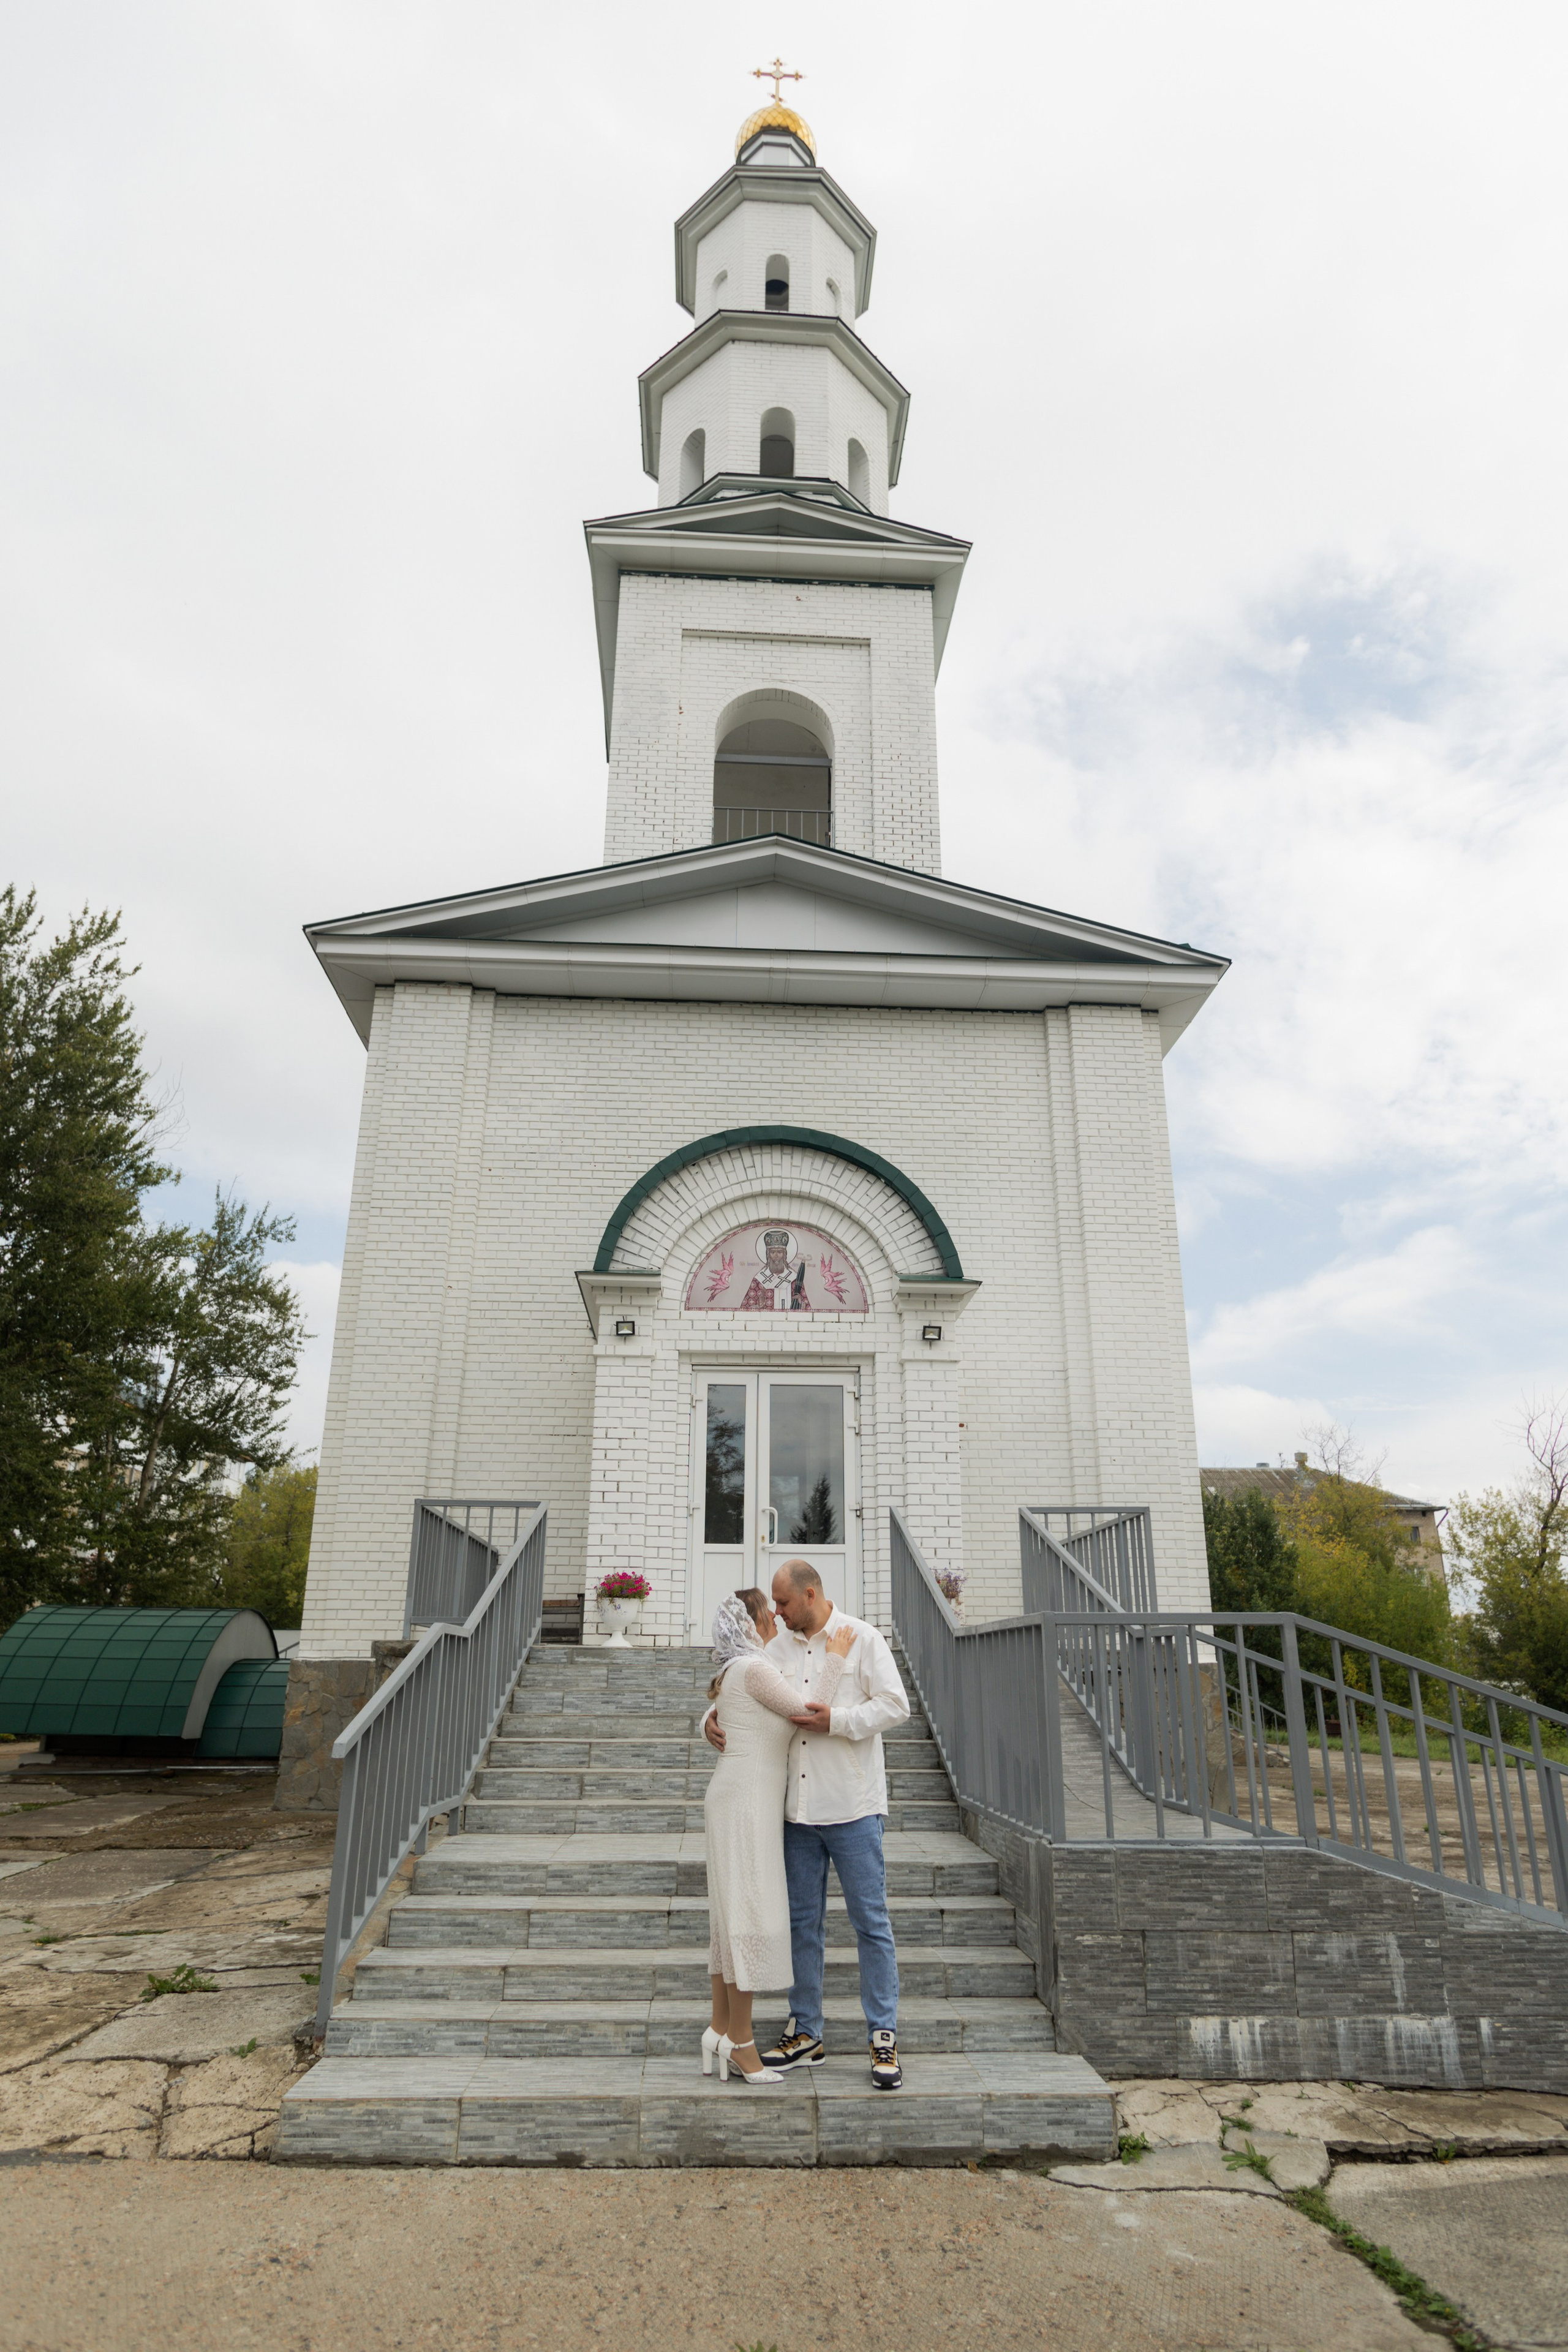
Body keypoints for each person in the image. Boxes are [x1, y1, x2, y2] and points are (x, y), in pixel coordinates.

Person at [703, 1559, 911, 2090]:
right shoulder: (774, 1648)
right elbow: (738, 1684)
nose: (776, 1612)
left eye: (785, 1603)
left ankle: (882, 2034)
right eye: (773, 1606)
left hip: (853, 1806)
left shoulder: (862, 1638)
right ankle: (807, 2032)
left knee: (871, 1923)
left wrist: (838, 1721)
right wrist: (707, 1721)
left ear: (811, 1594)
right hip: (795, 1811)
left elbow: (896, 1705)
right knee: (802, 1925)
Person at [702, 1588, 855, 2082]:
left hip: (737, 1797)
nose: (775, 1617)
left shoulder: (735, 1671)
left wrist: (705, 1720)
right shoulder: (755, 1669)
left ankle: (721, 2030)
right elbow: (809, 1712)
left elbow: (738, 1717)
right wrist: (834, 1660)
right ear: (752, 1622)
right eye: (768, 1611)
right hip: (745, 1802)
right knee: (746, 1914)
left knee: (729, 1917)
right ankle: (742, 2045)